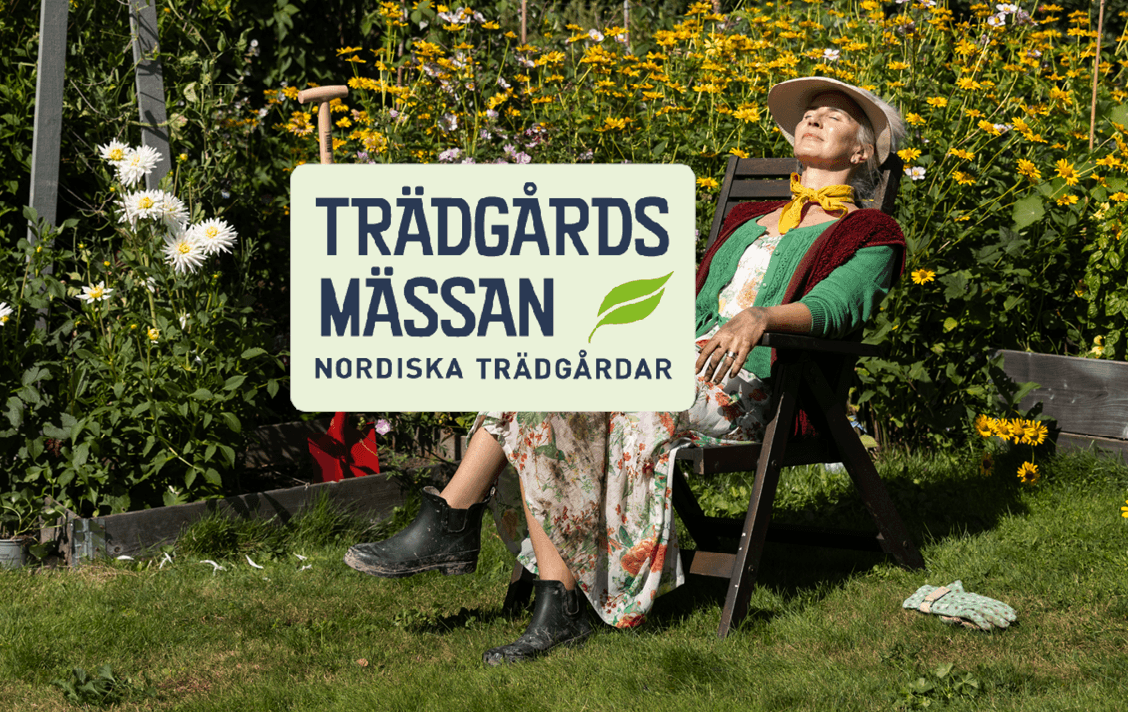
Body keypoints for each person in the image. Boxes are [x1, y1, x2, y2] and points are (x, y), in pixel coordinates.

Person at [344, 76, 907, 664]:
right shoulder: (751, 221)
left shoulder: (868, 232)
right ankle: (532, 584)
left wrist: (761, 317)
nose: (813, 119)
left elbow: (840, 304)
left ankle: (460, 530)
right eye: (809, 113)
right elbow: (681, 303)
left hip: (750, 387)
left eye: (833, 117)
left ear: (862, 151)